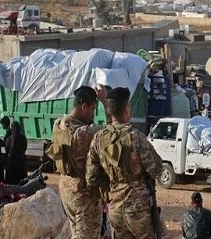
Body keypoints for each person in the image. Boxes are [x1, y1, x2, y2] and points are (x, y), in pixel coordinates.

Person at [86, 87, 164, 239]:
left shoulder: (99, 138)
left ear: (109, 110)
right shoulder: (136, 137)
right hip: (138, 210)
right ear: (127, 108)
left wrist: (108, 190)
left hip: (115, 208)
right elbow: (157, 170)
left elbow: (91, 178)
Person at [46, 86, 104, 239]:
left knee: (76, 233)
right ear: (84, 106)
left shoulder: (58, 125)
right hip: (83, 195)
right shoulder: (83, 133)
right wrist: (105, 100)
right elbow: (112, 131)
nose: (93, 114)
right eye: (92, 109)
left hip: (67, 190)